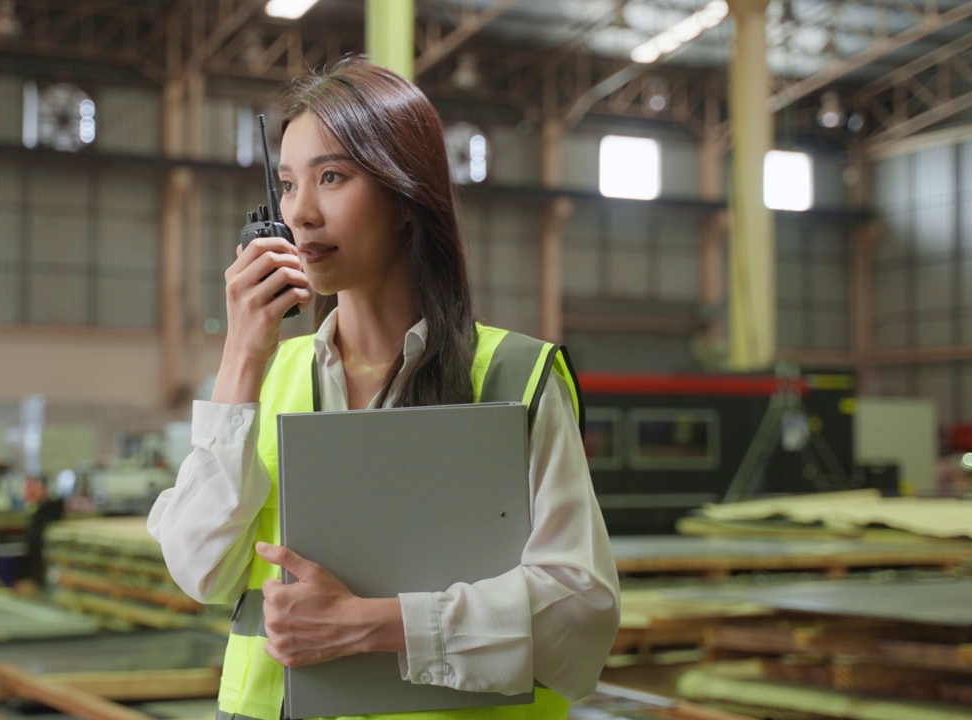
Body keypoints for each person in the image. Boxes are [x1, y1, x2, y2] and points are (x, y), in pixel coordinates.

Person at [148, 57, 619, 720]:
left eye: (333, 177)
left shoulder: (515, 378)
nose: (301, 213)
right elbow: (200, 571)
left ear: (405, 194)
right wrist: (241, 355)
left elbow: (582, 611)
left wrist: (375, 625)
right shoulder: (266, 379)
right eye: (286, 185)